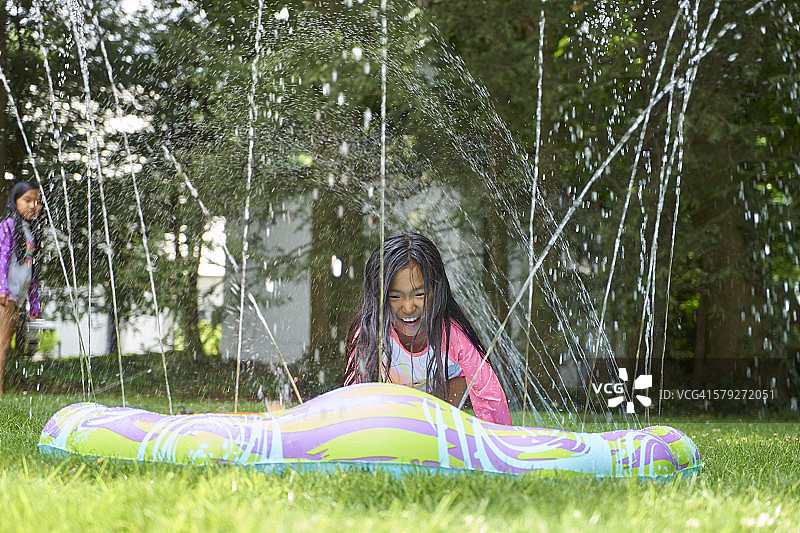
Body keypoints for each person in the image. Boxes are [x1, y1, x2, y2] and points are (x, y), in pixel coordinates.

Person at [344, 232, 511, 425]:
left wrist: (498, 440)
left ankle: (438, 426)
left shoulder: (453, 336)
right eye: (395, 296)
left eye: (420, 294)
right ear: (380, 296)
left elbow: (488, 393)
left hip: (445, 387)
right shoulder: (372, 332)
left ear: (437, 290)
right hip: (397, 391)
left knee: (434, 426)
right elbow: (353, 391)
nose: (408, 307)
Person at [0, 182, 43, 394]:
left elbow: (31, 273)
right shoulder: (8, 225)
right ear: (15, 201)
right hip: (4, 295)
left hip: (16, 297)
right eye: (27, 200)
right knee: (1, 343)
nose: (33, 206)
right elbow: (2, 258)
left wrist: (34, 303)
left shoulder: (30, 232)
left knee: (5, 345)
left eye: (37, 201)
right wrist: (2, 288)